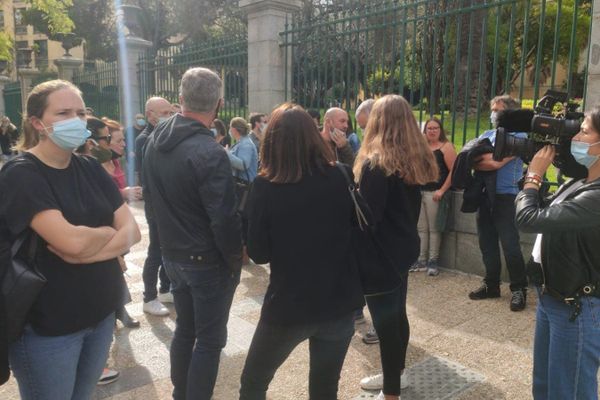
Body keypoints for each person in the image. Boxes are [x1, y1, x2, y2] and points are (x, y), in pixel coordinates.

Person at [0, 79, 141, 399]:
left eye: (80, 112)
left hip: (101, 313)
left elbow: (132, 231)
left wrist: (88, 248)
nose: (75, 121)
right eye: (63, 113)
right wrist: (107, 234)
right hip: (48, 326)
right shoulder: (22, 173)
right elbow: (70, 243)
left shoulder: (90, 167)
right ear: (37, 123)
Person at [239, 103, 363, 399]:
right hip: (339, 302)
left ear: (273, 141)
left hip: (289, 305)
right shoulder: (341, 175)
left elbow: (259, 253)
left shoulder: (265, 187)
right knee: (324, 389)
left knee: (254, 382)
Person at [143, 67, 242, 400]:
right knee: (210, 339)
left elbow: (152, 199)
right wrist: (233, 263)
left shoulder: (156, 139)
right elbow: (224, 219)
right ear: (220, 104)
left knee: (185, 329)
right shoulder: (210, 152)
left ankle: (180, 393)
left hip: (173, 254)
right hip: (203, 260)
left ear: (181, 100)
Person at [354, 95, 438, 400]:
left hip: (380, 255)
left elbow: (367, 218)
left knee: (387, 324)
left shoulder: (377, 164)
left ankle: (391, 392)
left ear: (378, 120)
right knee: (397, 317)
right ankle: (396, 377)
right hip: (403, 248)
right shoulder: (414, 157)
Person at [515, 107, 600, 400]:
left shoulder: (597, 196)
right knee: (545, 386)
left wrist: (534, 177)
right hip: (551, 297)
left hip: (576, 307)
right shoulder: (580, 181)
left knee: (569, 392)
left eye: (585, 131)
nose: (575, 136)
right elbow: (540, 210)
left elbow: (528, 219)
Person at [468, 95, 528, 312]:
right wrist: (484, 160)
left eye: (498, 110)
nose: (493, 113)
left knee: (510, 245)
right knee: (487, 243)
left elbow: (494, 163)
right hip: (485, 195)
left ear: (509, 113)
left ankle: (519, 289)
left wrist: (484, 160)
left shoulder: (519, 136)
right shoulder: (488, 134)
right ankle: (491, 284)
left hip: (506, 196)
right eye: (492, 109)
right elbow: (470, 158)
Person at [135, 96, 173, 317]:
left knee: (167, 248)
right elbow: (148, 177)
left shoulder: (162, 134)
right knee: (156, 250)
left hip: (166, 204)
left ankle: (165, 288)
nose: (169, 116)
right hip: (155, 205)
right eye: (165, 113)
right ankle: (149, 297)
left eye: (170, 112)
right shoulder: (145, 139)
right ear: (150, 115)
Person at [412, 118, 457, 276]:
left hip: (435, 193)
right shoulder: (422, 148)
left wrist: (442, 190)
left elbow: (453, 171)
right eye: (429, 128)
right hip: (420, 191)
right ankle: (421, 260)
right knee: (421, 229)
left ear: (440, 130)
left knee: (434, 229)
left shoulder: (446, 147)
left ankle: (433, 260)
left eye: (435, 128)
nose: (432, 131)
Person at [228, 117, 258, 183]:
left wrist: (227, 154)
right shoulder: (241, 142)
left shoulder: (246, 144)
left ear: (234, 129)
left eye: (230, 127)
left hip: (245, 184)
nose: (229, 130)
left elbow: (244, 164)